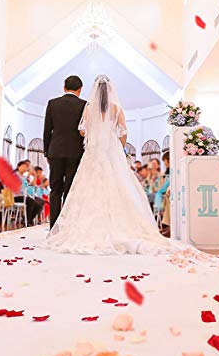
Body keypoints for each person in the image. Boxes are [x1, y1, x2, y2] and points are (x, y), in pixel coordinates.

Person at [45, 74, 173, 255]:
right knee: (117, 187)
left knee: (78, 189)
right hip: (111, 151)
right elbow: (123, 132)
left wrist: (92, 135)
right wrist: (118, 148)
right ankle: (119, 226)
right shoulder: (116, 108)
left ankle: (63, 227)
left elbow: (81, 130)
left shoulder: (88, 107)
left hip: (90, 152)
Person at [44, 75, 87, 229]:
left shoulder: (52, 103)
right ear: (80, 90)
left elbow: (47, 130)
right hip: (75, 153)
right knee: (69, 189)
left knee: (55, 189)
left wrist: (46, 152)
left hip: (55, 151)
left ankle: (53, 226)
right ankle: (66, 227)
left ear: (64, 88)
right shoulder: (84, 105)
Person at [14, 160, 44, 226]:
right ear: (18, 166)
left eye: (26, 167)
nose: (25, 168)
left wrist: (34, 175)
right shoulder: (15, 175)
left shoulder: (24, 177)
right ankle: (26, 220)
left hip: (24, 195)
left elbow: (32, 184)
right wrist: (28, 175)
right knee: (31, 201)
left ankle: (29, 219)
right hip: (16, 196)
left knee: (39, 204)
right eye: (23, 166)